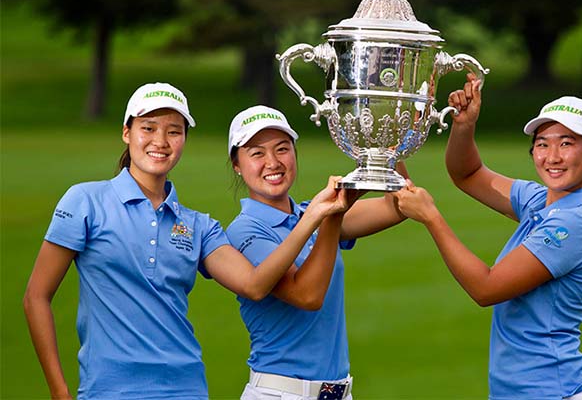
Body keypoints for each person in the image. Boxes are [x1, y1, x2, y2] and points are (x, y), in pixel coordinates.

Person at [23, 83, 350, 400]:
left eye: (174, 131)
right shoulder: (85, 201)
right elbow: (36, 296)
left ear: (184, 140)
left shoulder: (198, 226)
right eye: (148, 128)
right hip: (107, 390)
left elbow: (254, 285)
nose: (160, 141)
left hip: (186, 388)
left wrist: (312, 219)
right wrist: (59, 391)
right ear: (127, 133)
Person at [392, 75, 582, 400]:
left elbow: (486, 288)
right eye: (542, 143)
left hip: (552, 391)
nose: (552, 156)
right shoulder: (542, 200)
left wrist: (431, 218)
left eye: (566, 143)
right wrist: (464, 127)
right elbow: (468, 174)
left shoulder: (574, 224)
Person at [225, 105, 408, 400]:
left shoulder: (310, 213)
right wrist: (332, 215)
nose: (273, 162)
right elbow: (307, 295)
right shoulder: (243, 231)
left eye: (282, 149)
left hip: (337, 392)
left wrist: (386, 145)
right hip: (279, 392)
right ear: (237, 164)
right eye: (257, 153)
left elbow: (397, 207)